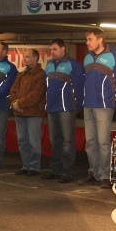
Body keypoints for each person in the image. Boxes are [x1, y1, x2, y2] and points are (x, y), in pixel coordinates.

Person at [79, 29, 116, 188]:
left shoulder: (113, 57)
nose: (87, 42)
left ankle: (105, 176)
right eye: (87, 39)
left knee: (103, 142)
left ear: (100, 40)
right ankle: (93, 173)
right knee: (91, 142)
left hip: (104, 106)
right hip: (88, 105)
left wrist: (112, 100)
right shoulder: (87, 58)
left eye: (90, 39)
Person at [43, 38, 84, 183]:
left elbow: (79, 88)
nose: (52, 52)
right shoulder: (49, 65)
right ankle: (55, 169)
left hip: (66, 108)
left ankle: (67, 172)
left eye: (54, 49)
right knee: (55, 140)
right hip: (52, 108)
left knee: (67, 141)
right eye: (51, 49)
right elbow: (46, 87)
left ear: (63, 49)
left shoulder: (73, 65)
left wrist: (77, 106)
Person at [10, 48, 46, 176]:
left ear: (35, 58)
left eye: (27, 57)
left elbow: (37, 95)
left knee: (33, 142)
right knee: (22, 141)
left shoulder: (41, 75)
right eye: (25, 56)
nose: (24, 59)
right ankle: (26, 166)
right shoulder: (21, 75)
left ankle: (34, 167)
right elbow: (13, 91)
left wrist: (19, 104)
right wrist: (15, 103)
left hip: (33, 114)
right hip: (20, 113)